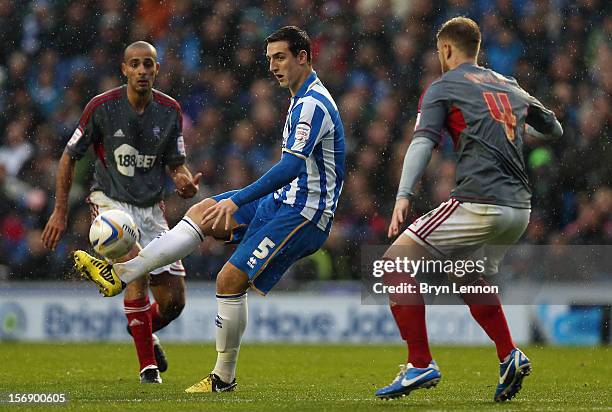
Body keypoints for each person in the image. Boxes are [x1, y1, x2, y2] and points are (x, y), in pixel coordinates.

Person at [72, 26, 345, 393]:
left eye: (280, 57)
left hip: (304, 214)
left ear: (303, 57)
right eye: (269, 59)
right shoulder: (300, 99)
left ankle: (223, 380)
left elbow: (291, 167)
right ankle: (122, 273)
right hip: (284, 201)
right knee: (203, 211)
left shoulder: (313, 103)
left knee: (229, 280)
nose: (273, 66)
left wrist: (239, 198)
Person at [374, 17, 562, 402]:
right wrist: (515, 127)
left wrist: (403, 195)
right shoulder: (508, 84)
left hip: (480, 201)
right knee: (464, 275)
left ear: (445, 49)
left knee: (394, 264)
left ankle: (419, 363)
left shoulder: (443, 86)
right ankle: (509, 355)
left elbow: (423, 143)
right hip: (518, 209)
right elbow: (554, 129)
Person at [42, 41, 201, 384]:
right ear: (124, 69)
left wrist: (185, 183)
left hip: (152, 209)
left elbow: (176, 165)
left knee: (174, 302)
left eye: (148, 64)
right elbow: (70, 156)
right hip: (111, 202)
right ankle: (148, 368)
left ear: (157, 69)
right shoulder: (101, 108)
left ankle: (139, 326)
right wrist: (59, 211)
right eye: (136, 65)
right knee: (137, 266)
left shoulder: (170, 111)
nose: (142, 70)